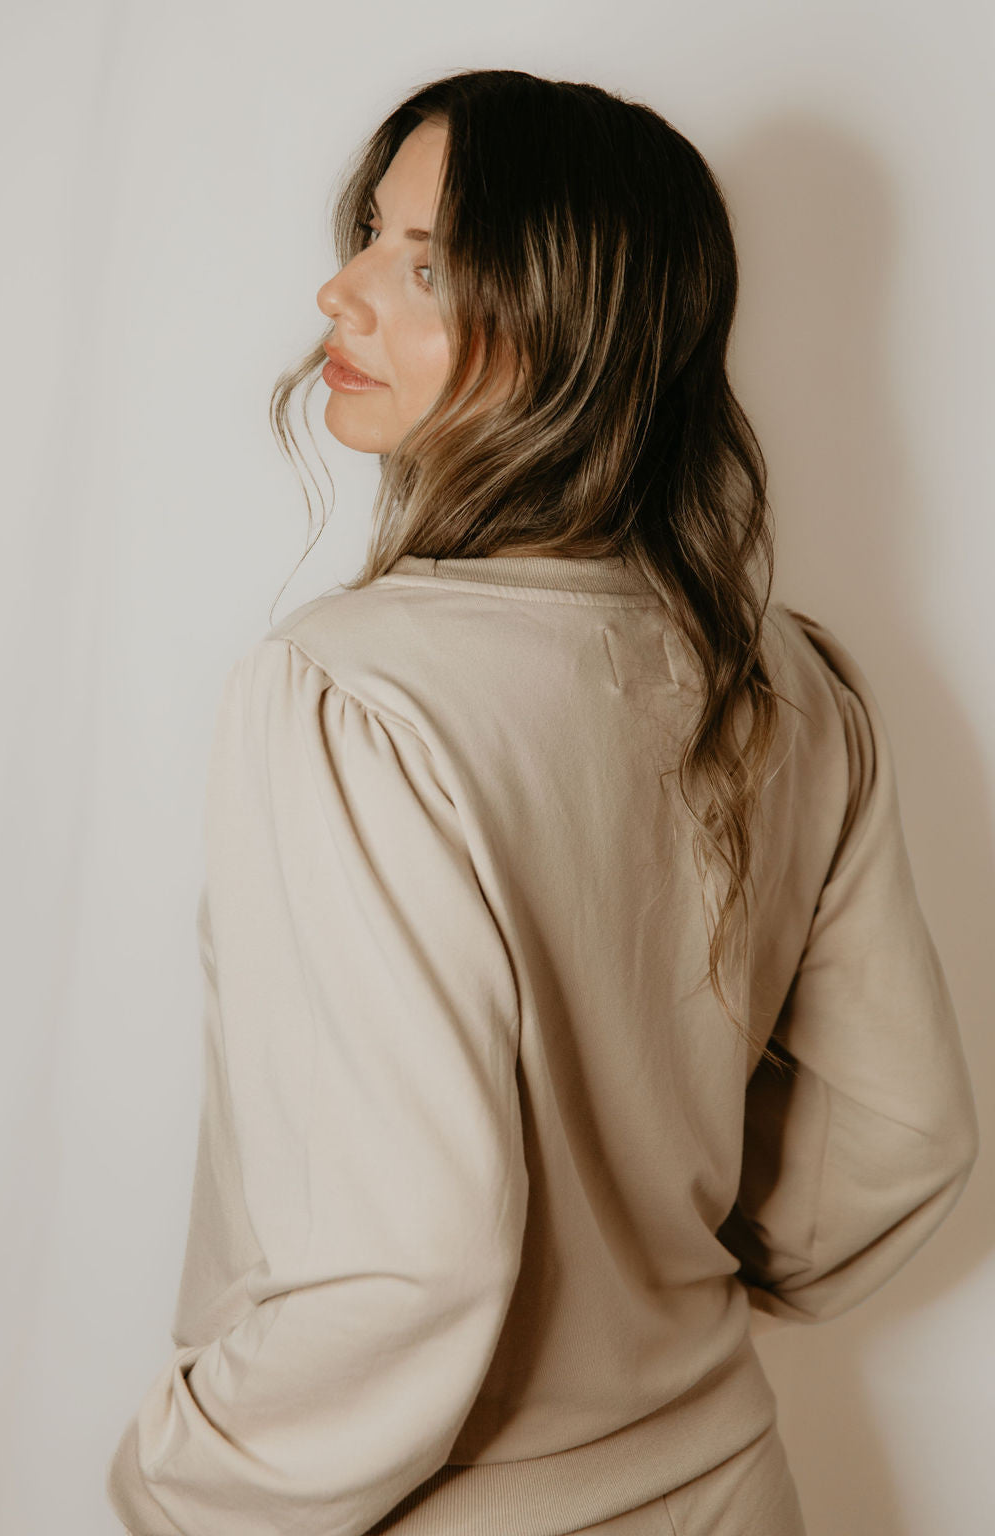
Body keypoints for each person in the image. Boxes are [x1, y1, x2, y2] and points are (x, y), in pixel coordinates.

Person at [105, 68, 979, 1536]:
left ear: (574, 325)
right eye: (370, 234)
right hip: (734, 1489)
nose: (342, 289)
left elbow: (405, 1268)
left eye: (426, 262)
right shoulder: (788, 681)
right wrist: (652, 1280)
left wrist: (177, 1488)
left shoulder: (350, 696)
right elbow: (904, 1136)